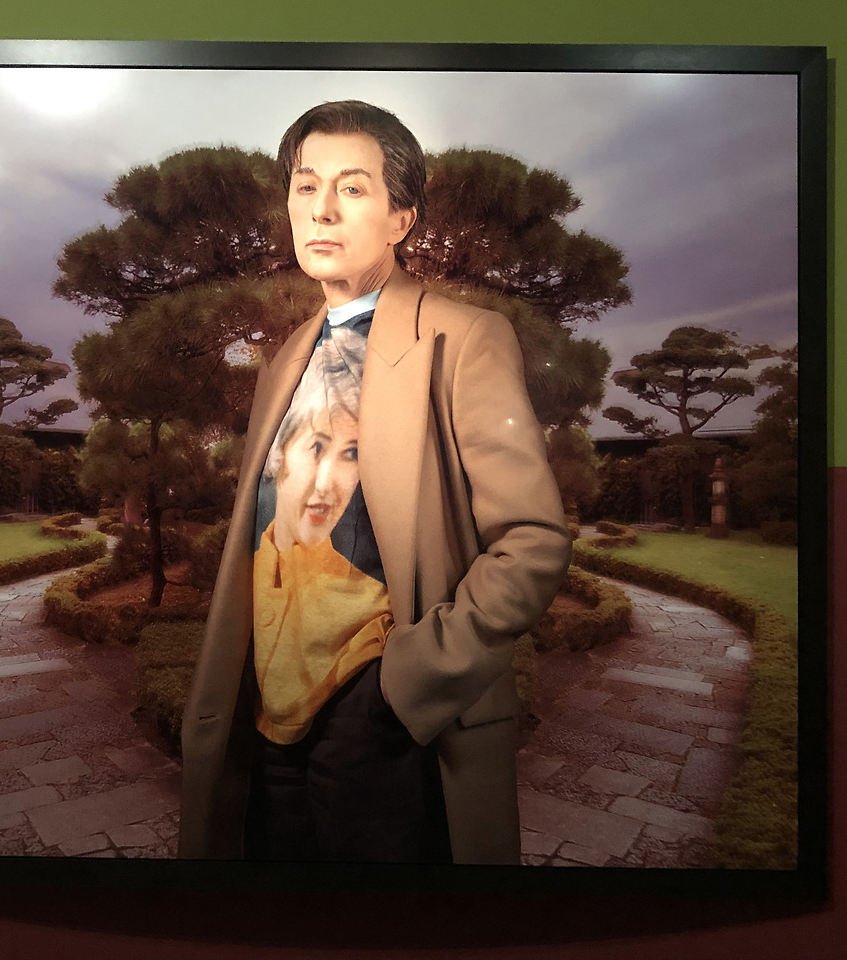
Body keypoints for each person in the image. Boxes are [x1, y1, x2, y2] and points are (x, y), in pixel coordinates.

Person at [179, 100, 572, 864]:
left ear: (401, 218)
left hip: (384, 714)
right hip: (269, 707)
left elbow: (533, 540)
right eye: (305, 186)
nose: (321, 209)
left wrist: (412, 678)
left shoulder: (463, 340)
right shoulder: (286, 359)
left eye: (352, 188)